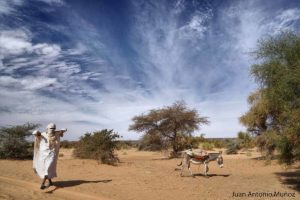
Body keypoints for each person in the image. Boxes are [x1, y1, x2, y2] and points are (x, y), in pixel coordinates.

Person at [32, 123, 67, 189]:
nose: (52, 130)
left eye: (53, 128)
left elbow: (62, 133)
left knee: (48, 167)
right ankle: (50, 182)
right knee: (46, 168)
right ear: (47, 128)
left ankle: (43, 184)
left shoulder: (56, 134)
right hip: (43, 155)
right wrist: (37, 133)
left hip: (52, 154)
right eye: (51, 128)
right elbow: (35, 134)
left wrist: (62, 131)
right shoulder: (43, 134)